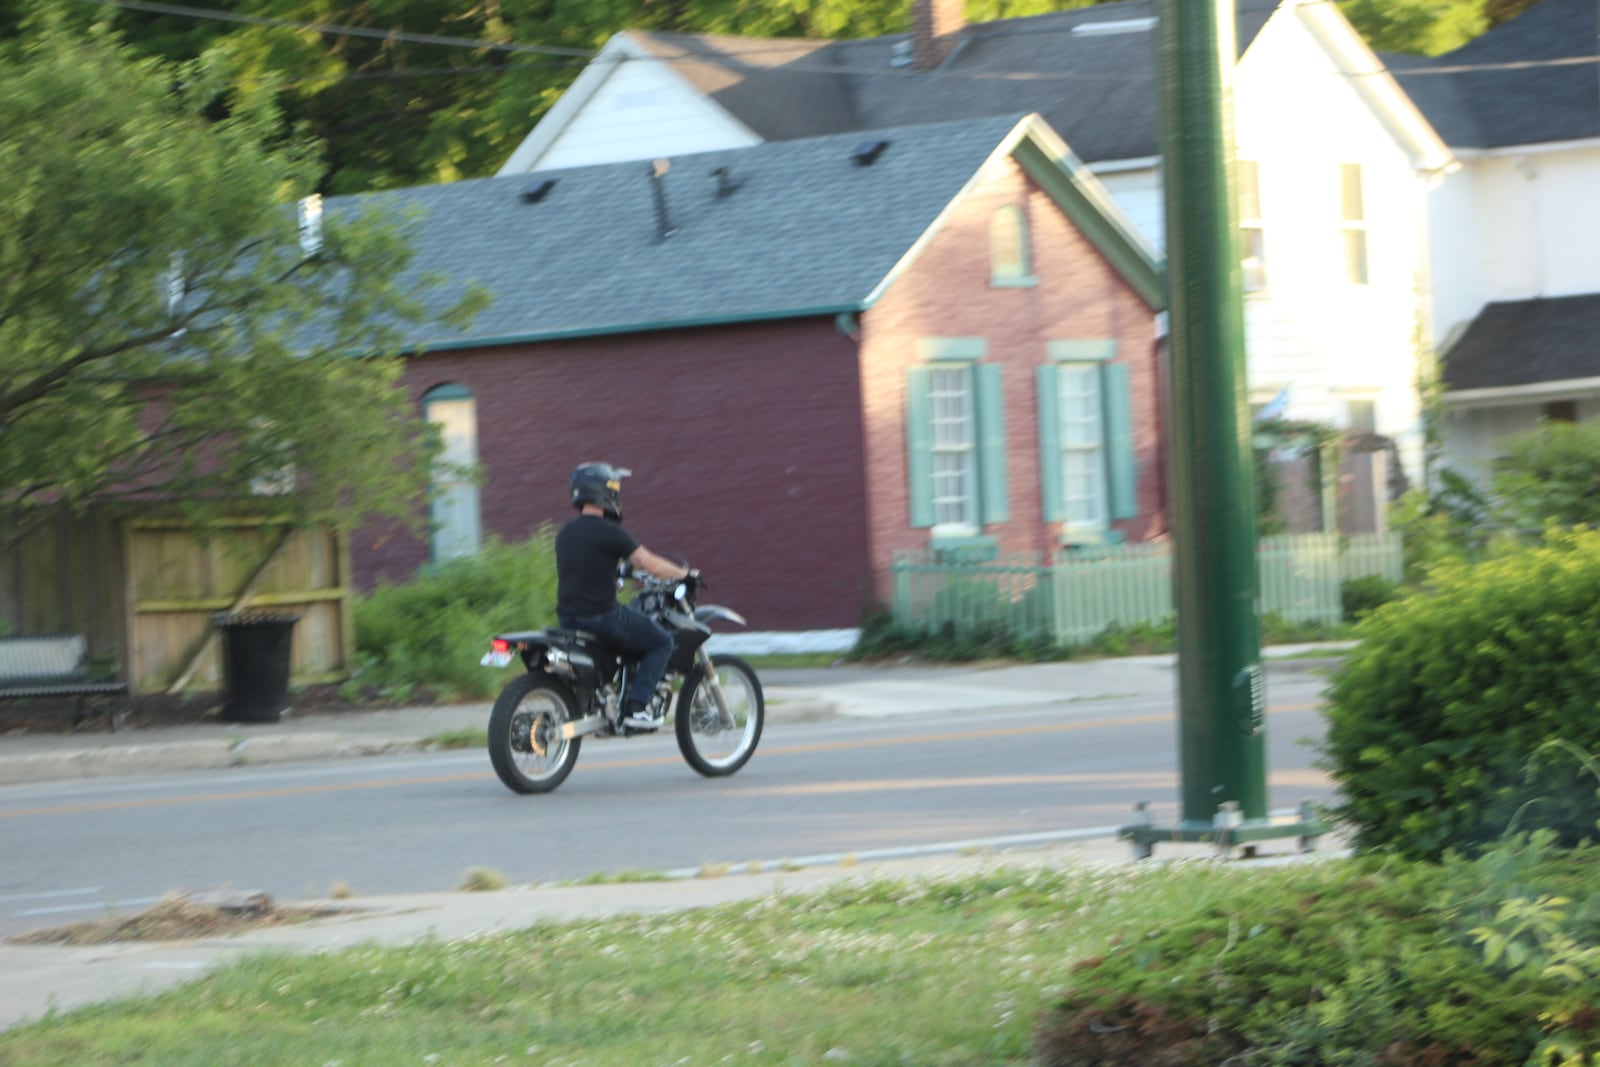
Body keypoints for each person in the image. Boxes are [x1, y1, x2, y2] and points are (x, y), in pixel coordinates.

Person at [555, 462, 692, 731]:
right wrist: (683, 575)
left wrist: (615, 574)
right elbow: (647, 562)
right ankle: (637, 708)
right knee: (662, 641)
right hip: (602, 618)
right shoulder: (611, 532)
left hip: (568, 619)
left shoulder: (565, 533)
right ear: (606, 493)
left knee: (631, 632)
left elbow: (585, 569)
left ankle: (614, 694)